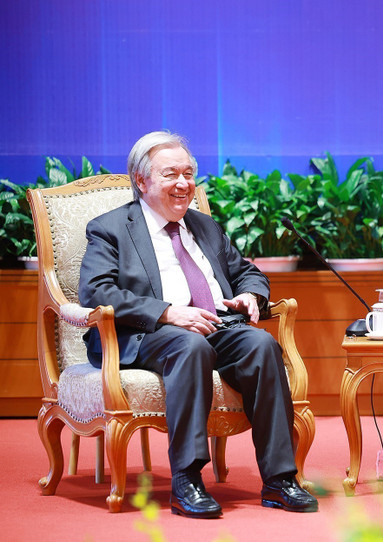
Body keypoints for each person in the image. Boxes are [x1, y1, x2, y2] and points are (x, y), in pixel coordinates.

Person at [79, 131, 317, 518]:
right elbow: (95, 291)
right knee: (191, 346)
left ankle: (280, 479)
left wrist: (251, 297)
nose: (183, 184)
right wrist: (167, 312)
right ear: (142, 181)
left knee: (262, 346)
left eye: (188, 173)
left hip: (216, 324)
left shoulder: (204, 226)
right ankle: (186, 480)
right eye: (170, 174)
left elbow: (248, 273)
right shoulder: (111, 228)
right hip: (148, 332)